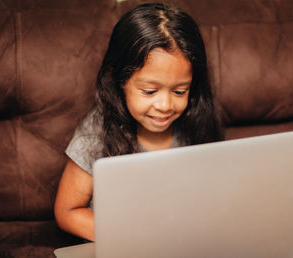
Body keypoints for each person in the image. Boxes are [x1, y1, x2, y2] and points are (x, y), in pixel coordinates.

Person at [54, 3, 223, 241]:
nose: (165, 105)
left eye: (179, 91)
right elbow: (67, 212)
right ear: (118, 80)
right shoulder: (96, 133)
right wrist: (133, 239)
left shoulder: (194, 123)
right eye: (149, 91)